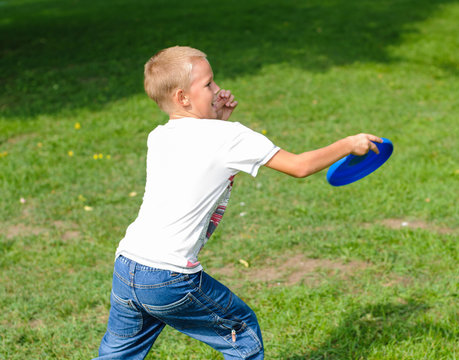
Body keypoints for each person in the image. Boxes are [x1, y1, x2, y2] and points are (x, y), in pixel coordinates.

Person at [95, 46, 382, 360]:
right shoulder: (230, 137)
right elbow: (299, 166)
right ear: (182, 97)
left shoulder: (159, 137)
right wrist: (349, 144)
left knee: (117, 354)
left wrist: (215, 119)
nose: (218, 90)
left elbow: (202, 157)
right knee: (242, 333)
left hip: (127, 266)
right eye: (208, 85)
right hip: (169, 276)